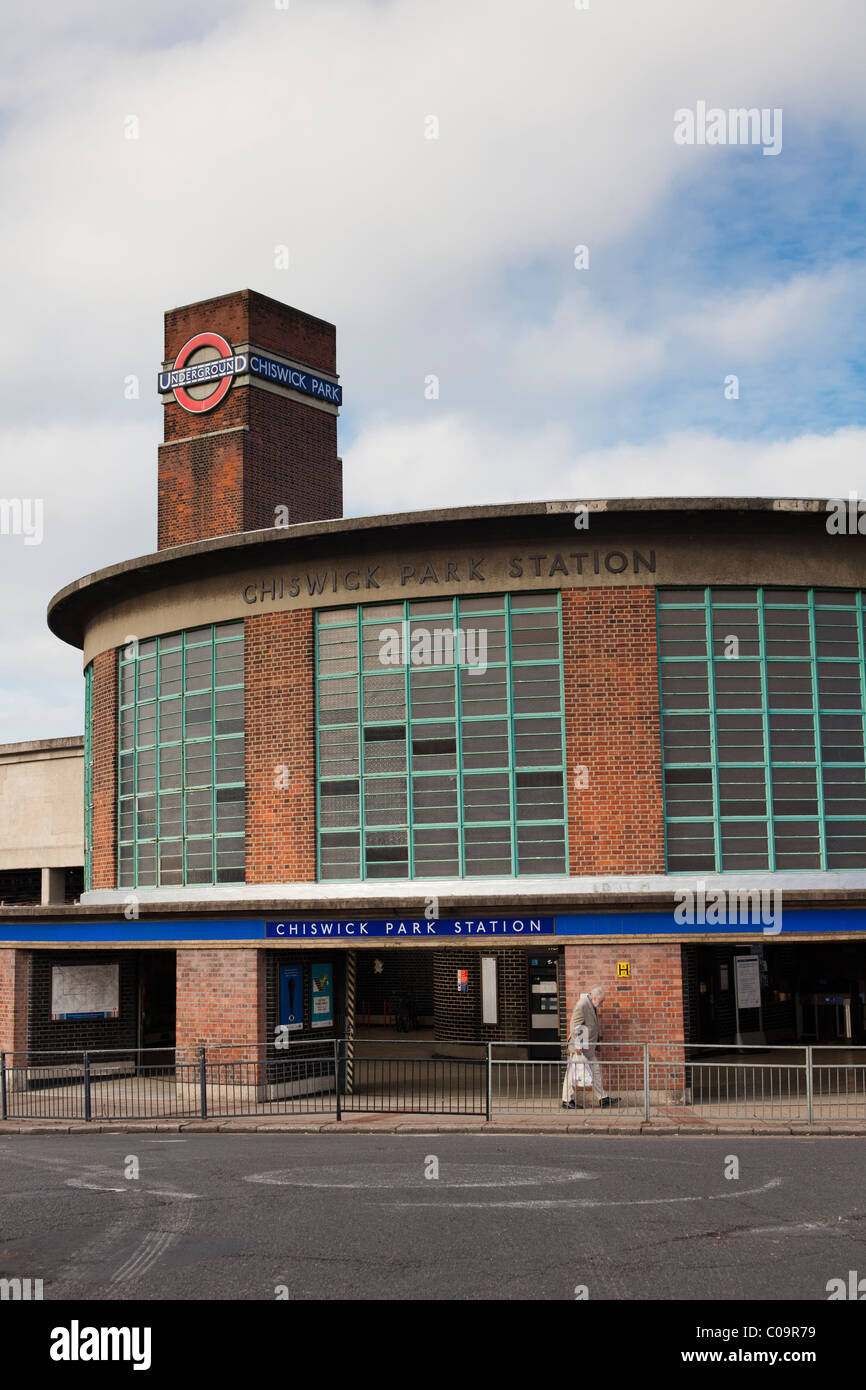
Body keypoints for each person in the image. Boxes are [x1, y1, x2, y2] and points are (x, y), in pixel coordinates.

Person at [562, 986, 620, 1109]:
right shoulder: (582, 1005)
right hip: (580, 1049)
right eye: (601, 1001)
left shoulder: (591, 1005)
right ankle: (567, 1100)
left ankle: (603, 1098)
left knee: (596, 1072)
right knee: (571, 1073)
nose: (602, 1004)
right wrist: (577, 1045)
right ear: (594, 998)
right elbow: (574, 1026)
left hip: (588, 1048)